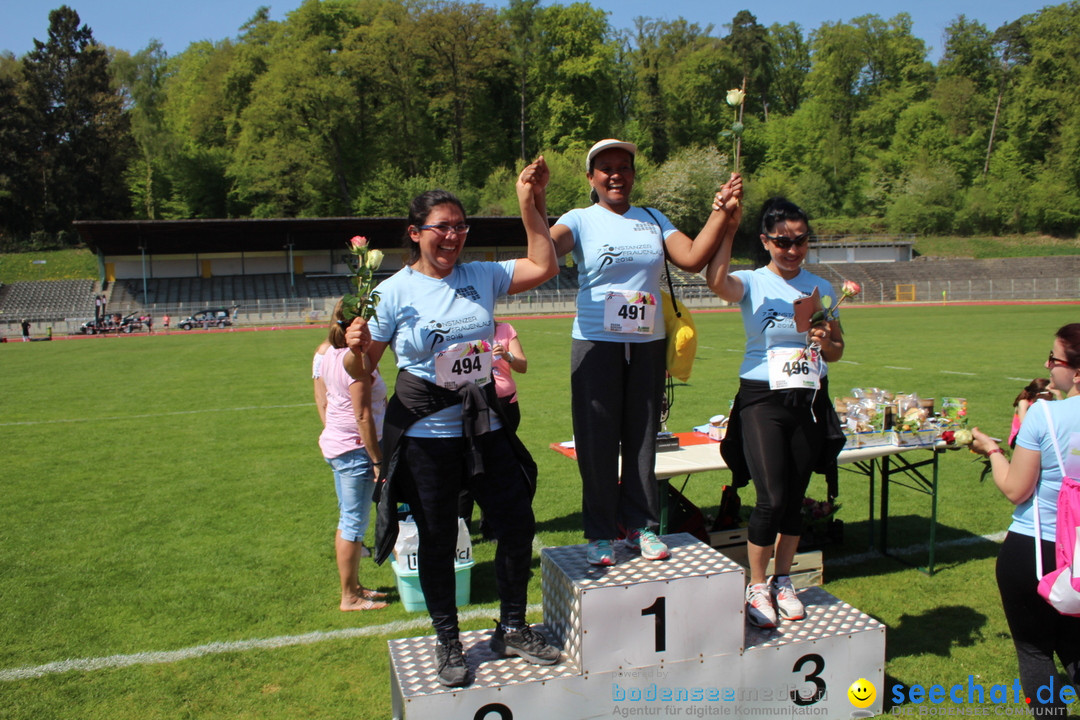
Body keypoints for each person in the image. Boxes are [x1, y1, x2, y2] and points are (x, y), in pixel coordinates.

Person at [345, 158, 560, 687]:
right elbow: (363, 367)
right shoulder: (393, 291)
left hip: (485, 429)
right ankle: (448, 640)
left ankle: (512, 625)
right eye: (442, 227)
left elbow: (544, 265)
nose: (453, 236)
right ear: (416, 234)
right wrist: (353, 349)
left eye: (461, 226)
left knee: (517, 524)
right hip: (426, 439)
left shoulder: (481, 274)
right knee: (438, 539)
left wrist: (529, 204)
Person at [547, 138, 742, 567]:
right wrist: (532, 204)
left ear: (634, 175)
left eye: (624, 167)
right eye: (605, 168)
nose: (616, 174)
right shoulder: (579, 219)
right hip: (596, 345)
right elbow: (543, 252)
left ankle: (641, 528)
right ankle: (600, 532)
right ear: (590, 178)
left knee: (642, 439)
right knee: (597, 442)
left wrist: (720, 212)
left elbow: (691, 258)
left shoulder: (653, 218)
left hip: (647, 345)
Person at [704, 196, 846, 629]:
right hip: (762, 397)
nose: (792, 249)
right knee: (771, 496)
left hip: (807, 398)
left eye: (801, 240)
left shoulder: (820, 287)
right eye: (783, 241)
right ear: (766, 241)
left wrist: (825, 341)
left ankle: (785, 580)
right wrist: (727, 227)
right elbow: (715, 282)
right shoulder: (751, 282)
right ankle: (758, 584)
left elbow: (838, 351)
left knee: (796, 497)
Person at [971, 324, 1080, 718]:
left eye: (1055, 359)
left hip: (1038, 549)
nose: (1049, 366)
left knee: (1035, 652)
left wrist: (993, 450)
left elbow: (1016, 489)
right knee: (1075, 647)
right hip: (1079, 553)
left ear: (1077, 371)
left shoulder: (1044, 416)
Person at [318, 299, 388, 611]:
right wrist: (376, 459)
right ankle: (349, 596)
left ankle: (355, 586)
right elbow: (362, 415)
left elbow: (323, 394)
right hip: (354, 449)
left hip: (339, 445)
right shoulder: (355, 360)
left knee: (350, 518)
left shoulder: (327, 351)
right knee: (353, 522)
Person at [459, 320, 528, 537]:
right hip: (473, 406)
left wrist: (507, 355)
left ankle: (492, 525)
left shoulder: (505, 329)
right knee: (467, 466)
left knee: (498, 467)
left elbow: (522, 366)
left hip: (506, 406)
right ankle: (461, 529)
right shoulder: (462, 330)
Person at [1009, 378, 1056, 448]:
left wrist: (1058, 395)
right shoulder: (1024, 403)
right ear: (1039, 395)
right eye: (1049, 392)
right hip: (1021, 437)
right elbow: (1024, 424)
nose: (1052, 395)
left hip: (1039, 436)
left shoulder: (1050, 403)